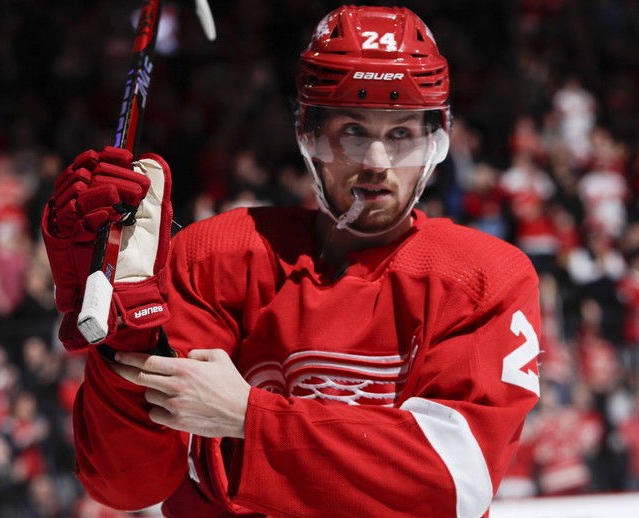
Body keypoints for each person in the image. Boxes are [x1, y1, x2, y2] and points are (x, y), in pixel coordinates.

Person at [42, 5, 541, 517]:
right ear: (310, 135)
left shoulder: (484, 279)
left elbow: (452, 481)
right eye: (352, 130)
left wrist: (248, 416)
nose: (376, 162)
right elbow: (128, 485)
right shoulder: (217, 258)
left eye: (400, 134)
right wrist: (122, 324)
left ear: (436, 140)